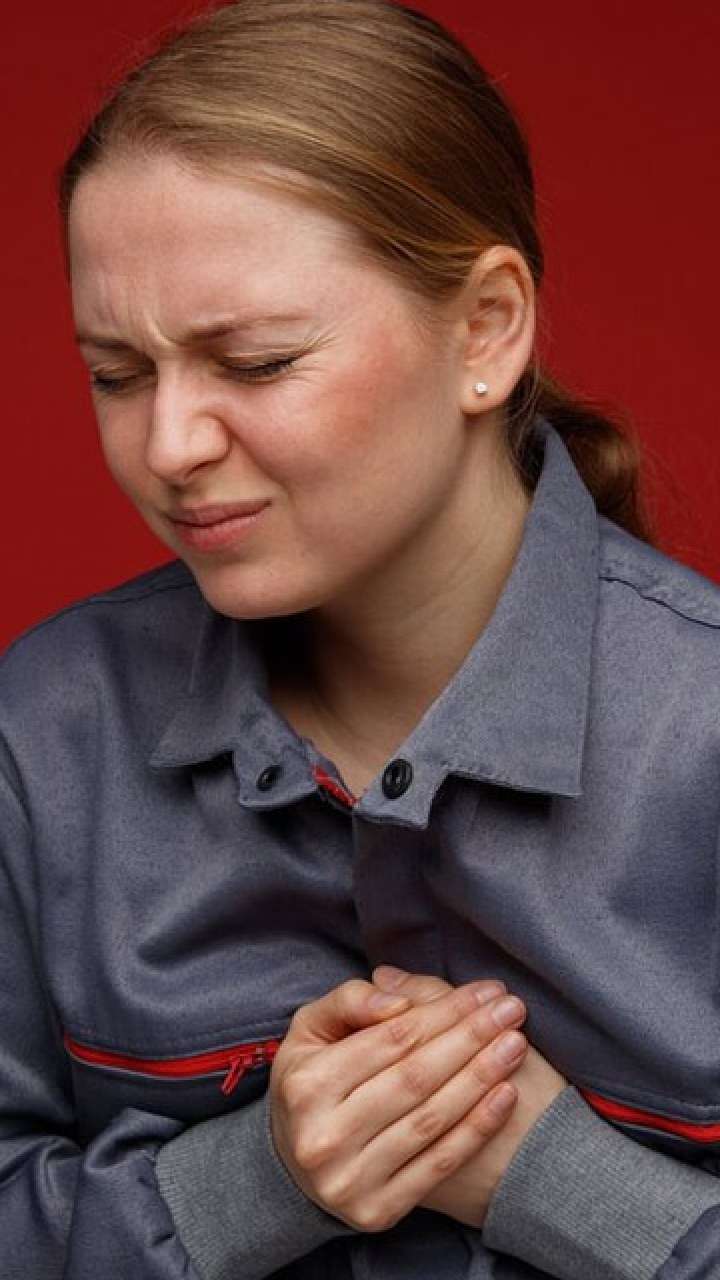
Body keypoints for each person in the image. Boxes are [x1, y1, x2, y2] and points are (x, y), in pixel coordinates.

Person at [3, 0, 720, 1277]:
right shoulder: (44, 728)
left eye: (257, 361)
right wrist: (247, 1184)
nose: (167, 446)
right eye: (116, 373)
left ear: (487, 328)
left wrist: (561, 1183)